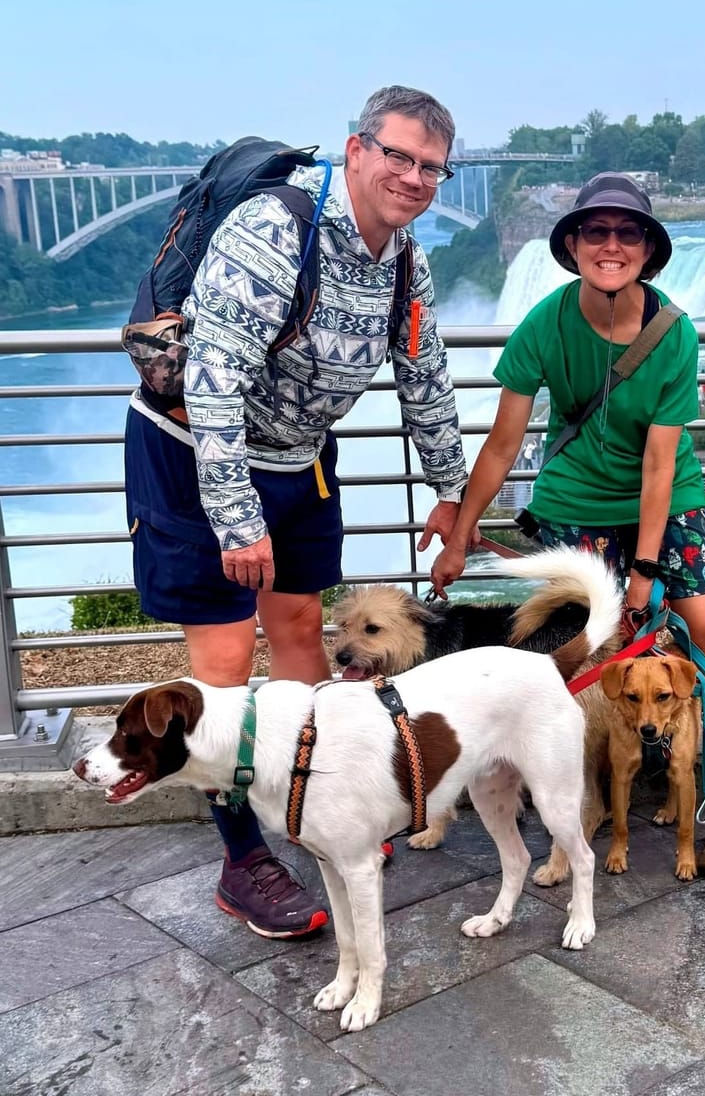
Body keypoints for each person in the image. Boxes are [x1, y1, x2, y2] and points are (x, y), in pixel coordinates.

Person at [123, 85, 472, 937]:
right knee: (223, 668)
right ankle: (244, 863)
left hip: (301, 461)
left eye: (431, 166)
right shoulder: (277, 230)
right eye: (397, 155)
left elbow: (424, 378)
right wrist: (237, 520)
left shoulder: (406, 263)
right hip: (191, 455)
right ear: (355, 151)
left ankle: (319, 807)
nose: (414, 178)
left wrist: (451, 492)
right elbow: (212, 383)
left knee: (303, 648)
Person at [430, 173, 705, 876]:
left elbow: (658, 469)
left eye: (627, 233)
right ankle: (575, 799)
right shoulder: (545, 325)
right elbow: (500, 444)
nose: (611, 245)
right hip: (576, 502)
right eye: (596, 232)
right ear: (574, 244)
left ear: (648, 249)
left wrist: (642, 575)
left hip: (668, 506)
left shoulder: (673, 333)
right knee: (573, 653)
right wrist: (459, 538)